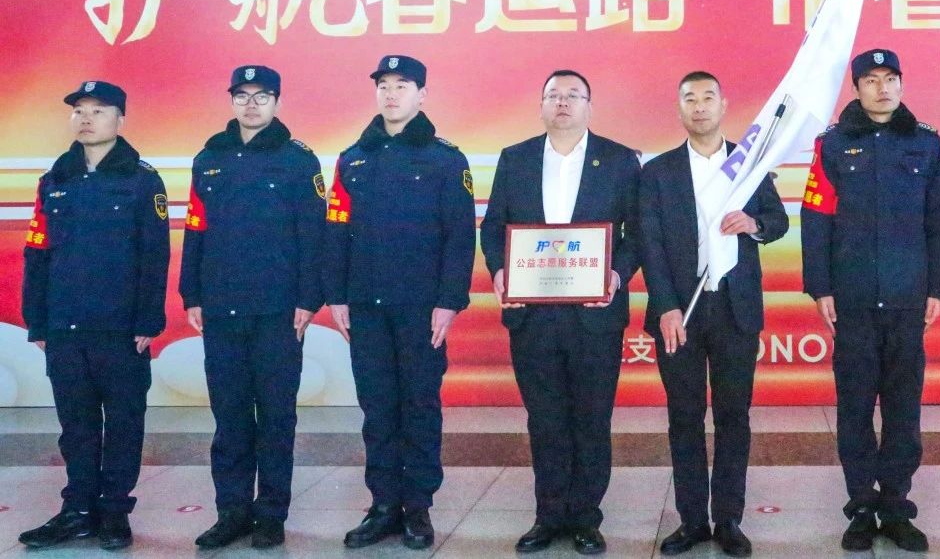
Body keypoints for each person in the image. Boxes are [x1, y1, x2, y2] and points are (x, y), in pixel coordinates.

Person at [479, 70, 641, 555]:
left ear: (590, 105)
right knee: (545, 419)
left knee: (592, 418)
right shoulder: (516, 158)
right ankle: (548, 516)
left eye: (573, 95)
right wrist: (500, 271)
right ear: (541, 105)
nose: (563, 103)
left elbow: (637, 234)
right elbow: (494, 227)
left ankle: (587, 518)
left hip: (595, 313)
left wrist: (616, 275)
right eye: (553, 95)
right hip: (533, 314)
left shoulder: (619, 159)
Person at [801, 49, 940, 553]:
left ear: (902, 85)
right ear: (857, 88)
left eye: (890, 79)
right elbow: (816, 217)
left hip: (909, 297)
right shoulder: (832, 145)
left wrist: (938, 287)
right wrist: (821, 286)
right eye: (871, 80)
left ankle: (896, 504)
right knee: (855, 407)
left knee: (903, 409)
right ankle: (861, 507)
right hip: (853, 299)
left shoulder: (926, 143)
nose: (882, 88)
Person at [323, 55, 475, 550]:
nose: (391, 94)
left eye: (402, 85)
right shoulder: (353, 159)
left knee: (419, 405)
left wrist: (449, 300)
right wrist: (337, 294)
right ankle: (383, 505)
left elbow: (459, 236)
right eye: (384, 85)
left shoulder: (445, 159)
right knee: (377, 407)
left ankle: (418, 508)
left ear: (422, 94)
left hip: (421, 308)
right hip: (366, 306)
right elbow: (336, 229)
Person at [640, 71, 788, 558]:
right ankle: (691, 521)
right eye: (690, 98)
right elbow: (650, 245)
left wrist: (754, 223)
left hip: (734, 309)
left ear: (724, 105)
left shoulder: (749, 163)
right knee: (684, 418)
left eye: (708, 98)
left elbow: (778, 221)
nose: (700, 106)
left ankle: (728, 519)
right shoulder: (658, 171)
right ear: (679, 107)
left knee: (733, 417)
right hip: (678, 314)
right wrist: (665, 305)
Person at [19, 81, 169, 551]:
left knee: (123, 422)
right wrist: (37, 320)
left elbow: (155, 255)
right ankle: (78, 510)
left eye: (99, 110)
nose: (87, 118)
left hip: (120, 328)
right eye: (79, 110)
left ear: (120, 119)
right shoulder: (54, 180)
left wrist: (147, 320)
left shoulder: (142, 180)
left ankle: (114, 511)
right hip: (65, 325)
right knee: (76, 426)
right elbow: (37, 251)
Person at [180, 65, 325, 549]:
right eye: (242, 96)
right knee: (230, 417)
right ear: (231, 101)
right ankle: (232, 512)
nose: (251, 104)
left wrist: (308, 299)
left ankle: (271, 515)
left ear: (277, 102)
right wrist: (191, 294)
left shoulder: (298, 159)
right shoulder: (209, 158)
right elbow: (195, 229)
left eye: (261, 96)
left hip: (278, 311)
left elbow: (313, 234)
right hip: (222, 307)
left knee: (277, 417)